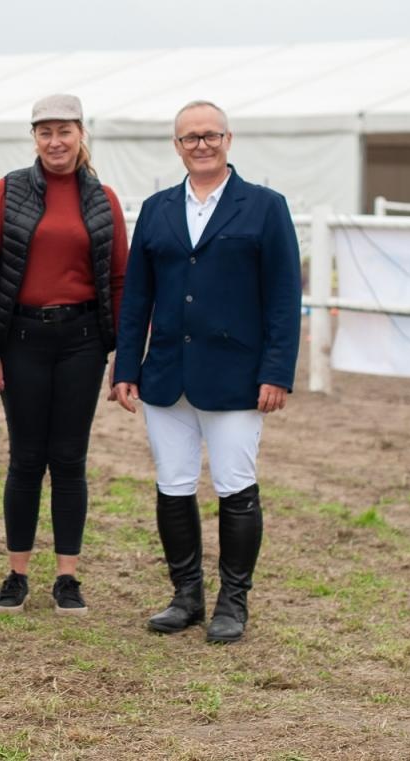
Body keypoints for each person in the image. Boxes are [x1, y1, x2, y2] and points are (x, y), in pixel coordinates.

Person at [110, 100, 301, 644]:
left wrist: (277, 372)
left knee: (235, 486)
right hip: (166, 374)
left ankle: (232, 602)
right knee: (172, 486)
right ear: (177, 146)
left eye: (210, 135)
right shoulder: (157, 209)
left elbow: (284, 296)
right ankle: (185, 596)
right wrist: (126, 365)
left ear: (228, 140)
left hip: (236, 376)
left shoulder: (264, 207)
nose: (201, 145)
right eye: (190, 137)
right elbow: (137, 296)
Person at [0, 94, 127, 615]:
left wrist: (123, 355)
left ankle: (67, 577)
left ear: (81, 133)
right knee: (26, 458)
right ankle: (16, 573)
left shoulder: (103, 199)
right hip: (23, 340)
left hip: (82, 341)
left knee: (70, 459)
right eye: (45, 132)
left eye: (64, 131)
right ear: (34, 138)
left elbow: (120, 279)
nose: (55, 142)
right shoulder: (8, 191)